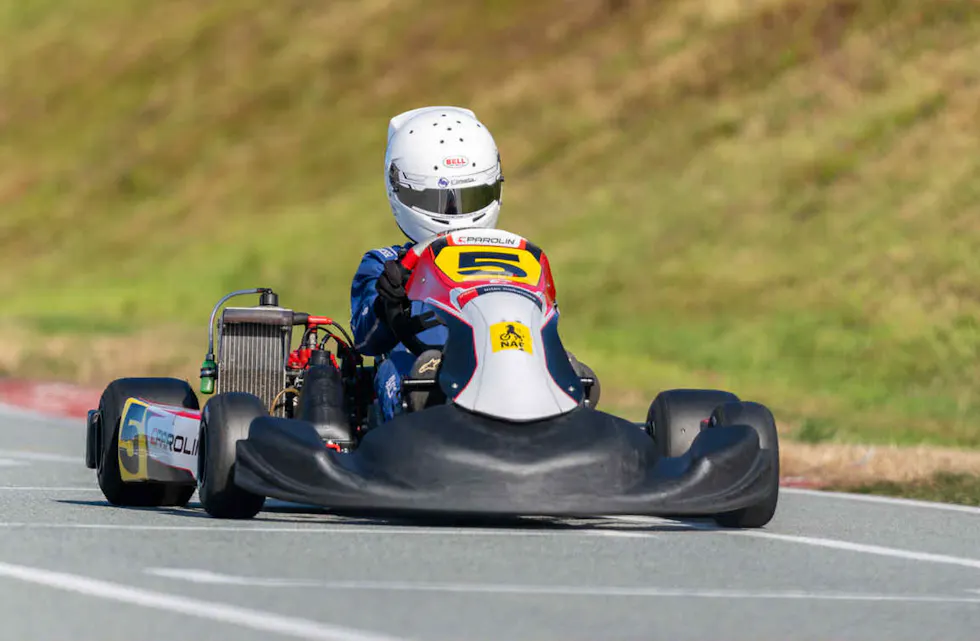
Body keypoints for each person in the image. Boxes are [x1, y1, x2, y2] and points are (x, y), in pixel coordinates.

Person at [349, 106, 597, 422]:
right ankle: (417, 441)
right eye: (437, 201)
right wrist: (388, 302)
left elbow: (546, 318)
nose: (455, 213)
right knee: (400, 371)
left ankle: (563, 419)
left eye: (471, 197)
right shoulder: (386, 264)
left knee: (575, 371)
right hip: (426, 377)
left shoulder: (514, 257)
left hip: (505, 360)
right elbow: (366, 342)